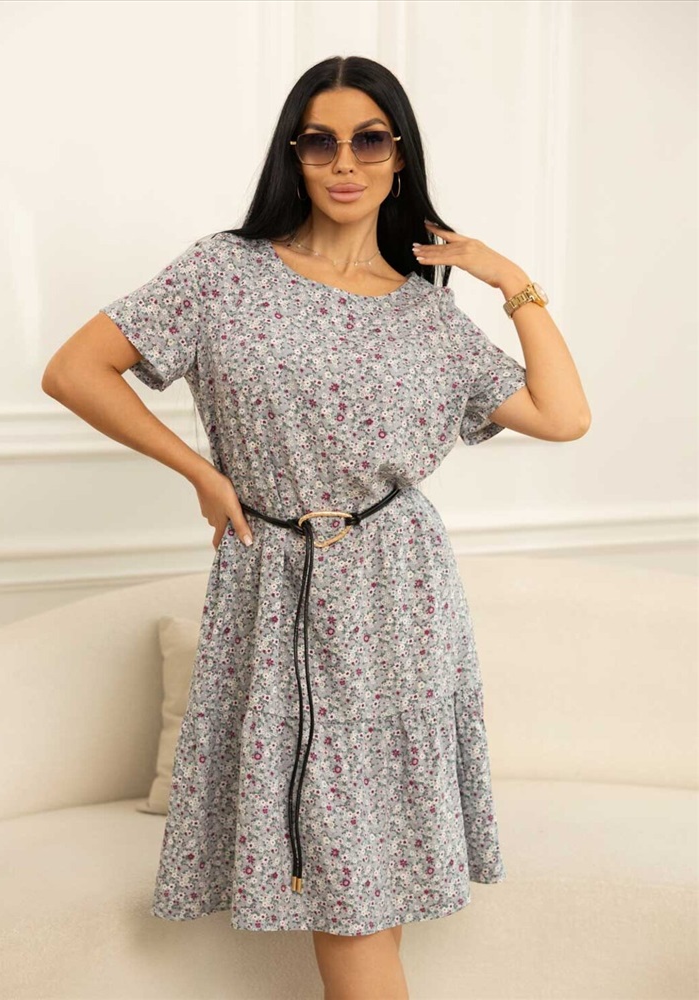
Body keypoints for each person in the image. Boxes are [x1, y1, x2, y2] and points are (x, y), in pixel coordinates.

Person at [42, 54, 590, 1000]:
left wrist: (509, 279)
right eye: (320, 141)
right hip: (274, 586)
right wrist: (201, 471)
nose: (344, 162)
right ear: (292, 155)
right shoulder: (223, 271)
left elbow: (562, 415)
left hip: (400, 596)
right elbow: (74, 370)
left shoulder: (428, 317)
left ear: (398, 155)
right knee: (346, 879)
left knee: (367, 875)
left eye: (369, 140)